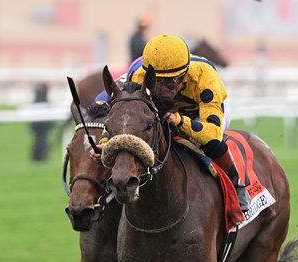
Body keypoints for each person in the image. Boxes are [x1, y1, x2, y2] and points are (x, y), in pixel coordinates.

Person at [91, 34, 251, 212]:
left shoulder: (205, 76)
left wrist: (180, 121)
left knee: (211, 144)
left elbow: (212, 132)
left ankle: (237, 185)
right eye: (158, 81)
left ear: (184, 74)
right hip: (164, 110)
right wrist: (105, 144)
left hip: (199, 113)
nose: (164, 89)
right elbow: (121, 118)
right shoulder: (138, 77)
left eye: (171, 82)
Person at [30, 82, 53, 162]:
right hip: (40, 125)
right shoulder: (40, 96)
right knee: (40, 141)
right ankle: (40, 157)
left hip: (40, 124)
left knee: (39, 140)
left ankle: (38, 157)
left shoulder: (39, 95)